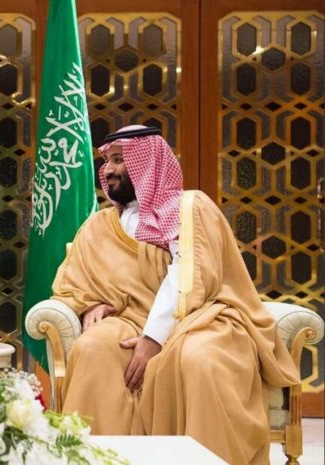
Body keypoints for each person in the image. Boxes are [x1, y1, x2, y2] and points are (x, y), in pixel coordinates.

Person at [51, 125, 298, 465]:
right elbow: (74, 280)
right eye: (107, 161)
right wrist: (90, 304)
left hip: (200, 318)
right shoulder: (98, 224)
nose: (107, 170)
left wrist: (153, 338)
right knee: (93, 348)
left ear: (148, 162)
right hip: (128, 319)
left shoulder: (189, 207)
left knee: (200, 360)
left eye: (119, 160)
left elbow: (189, 276)